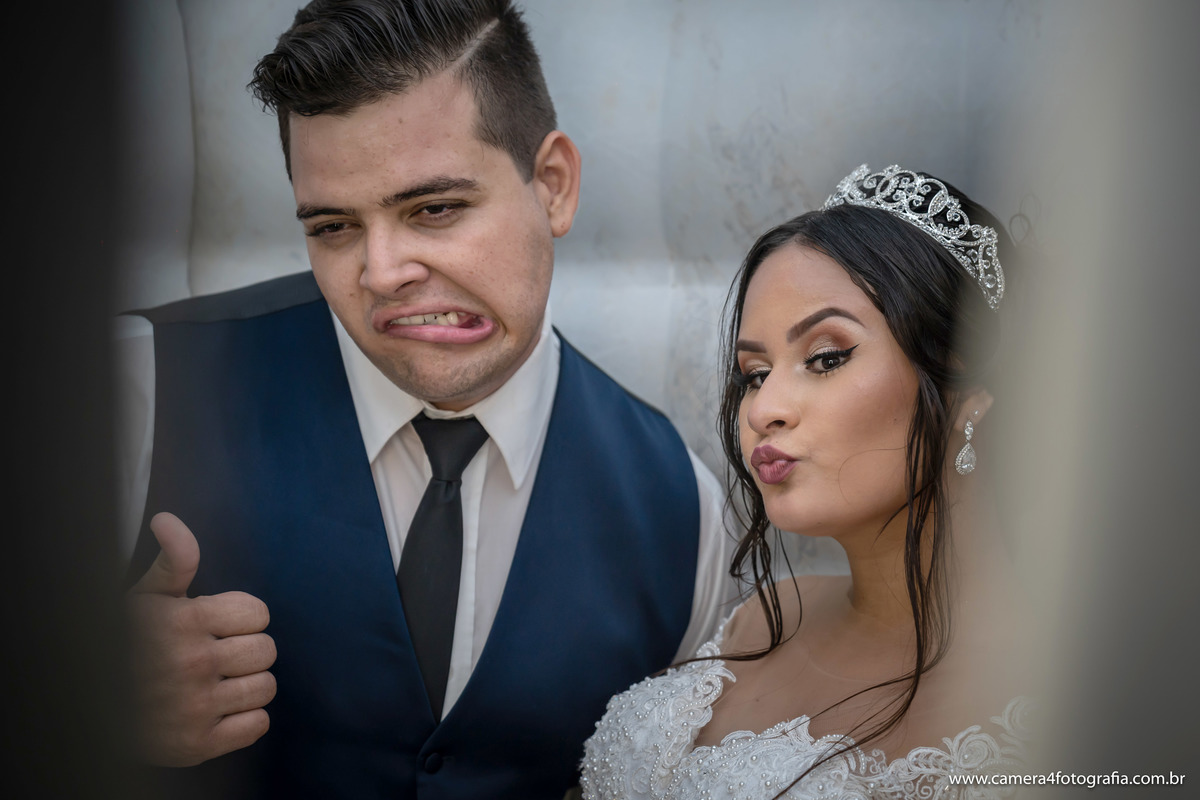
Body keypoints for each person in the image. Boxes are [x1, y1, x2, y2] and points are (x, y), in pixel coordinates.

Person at [119, 1, 734, 798]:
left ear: (552, 185)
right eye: (335, 227)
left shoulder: (683, 509)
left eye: (433, 209)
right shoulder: (141, 386)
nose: (380, 273)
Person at [580, 164, 1035, 799]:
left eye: (825, 358)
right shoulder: (763, 620)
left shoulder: (1066, 706)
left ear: (968, 393)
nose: (763, 409)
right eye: (755, 373)